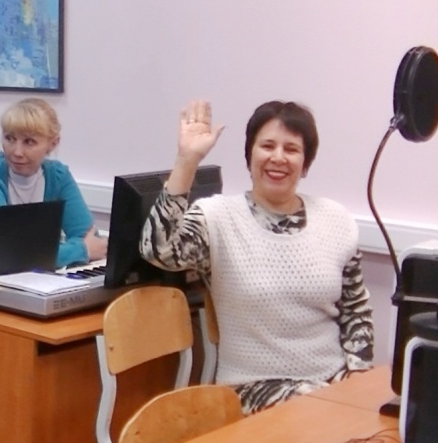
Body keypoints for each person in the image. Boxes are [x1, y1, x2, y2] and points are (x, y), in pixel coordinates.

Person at [139, 99, 374, 415]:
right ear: (250, 156)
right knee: (321, 418)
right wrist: (187, 160)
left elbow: (356, 311)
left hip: (332, 382)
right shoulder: (217, 216)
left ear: (305, 163)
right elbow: (158, 250)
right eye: (267, 146)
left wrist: (358, 381)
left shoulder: (335, 218)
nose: (278, 157)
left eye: (291, 149)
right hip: (253, 388)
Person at [0, 97, 106, 276]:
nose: (17, 152)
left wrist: (74, 250)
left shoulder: (58, 177)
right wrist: (80, 250)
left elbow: (91, 239)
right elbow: (10, 256)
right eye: (10, 139)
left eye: (29, 142)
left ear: (52, 143)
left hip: (22, 281)